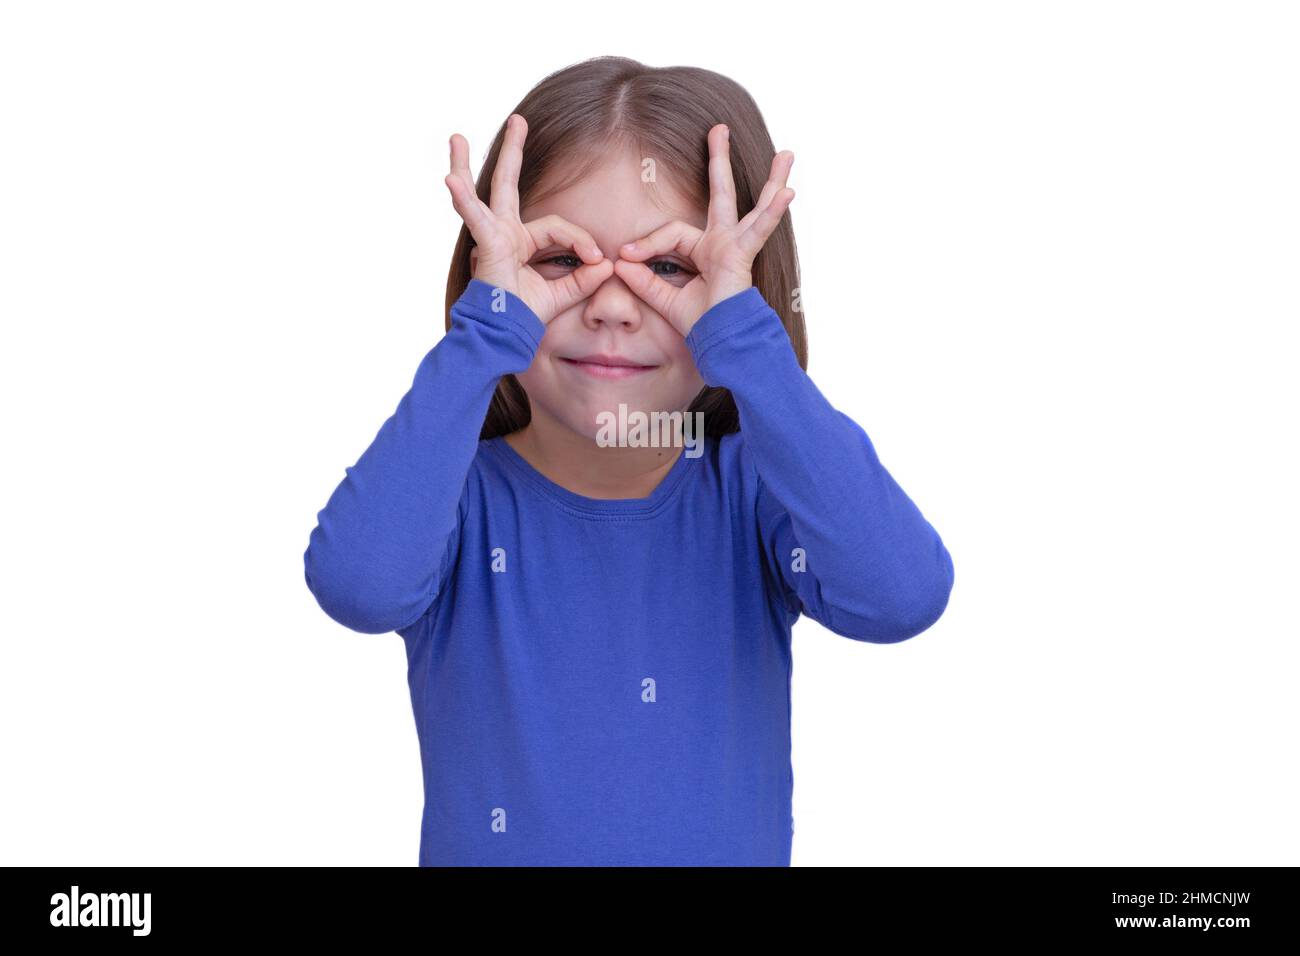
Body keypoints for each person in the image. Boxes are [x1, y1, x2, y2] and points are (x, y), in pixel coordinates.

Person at [304, 56, 954, 866]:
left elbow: (903, 595)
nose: (611, 304)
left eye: (672, 269)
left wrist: (747, 346)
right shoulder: (451, 502)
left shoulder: (755, 493)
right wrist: (484, 335)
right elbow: (355, 585)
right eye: (560, 261)